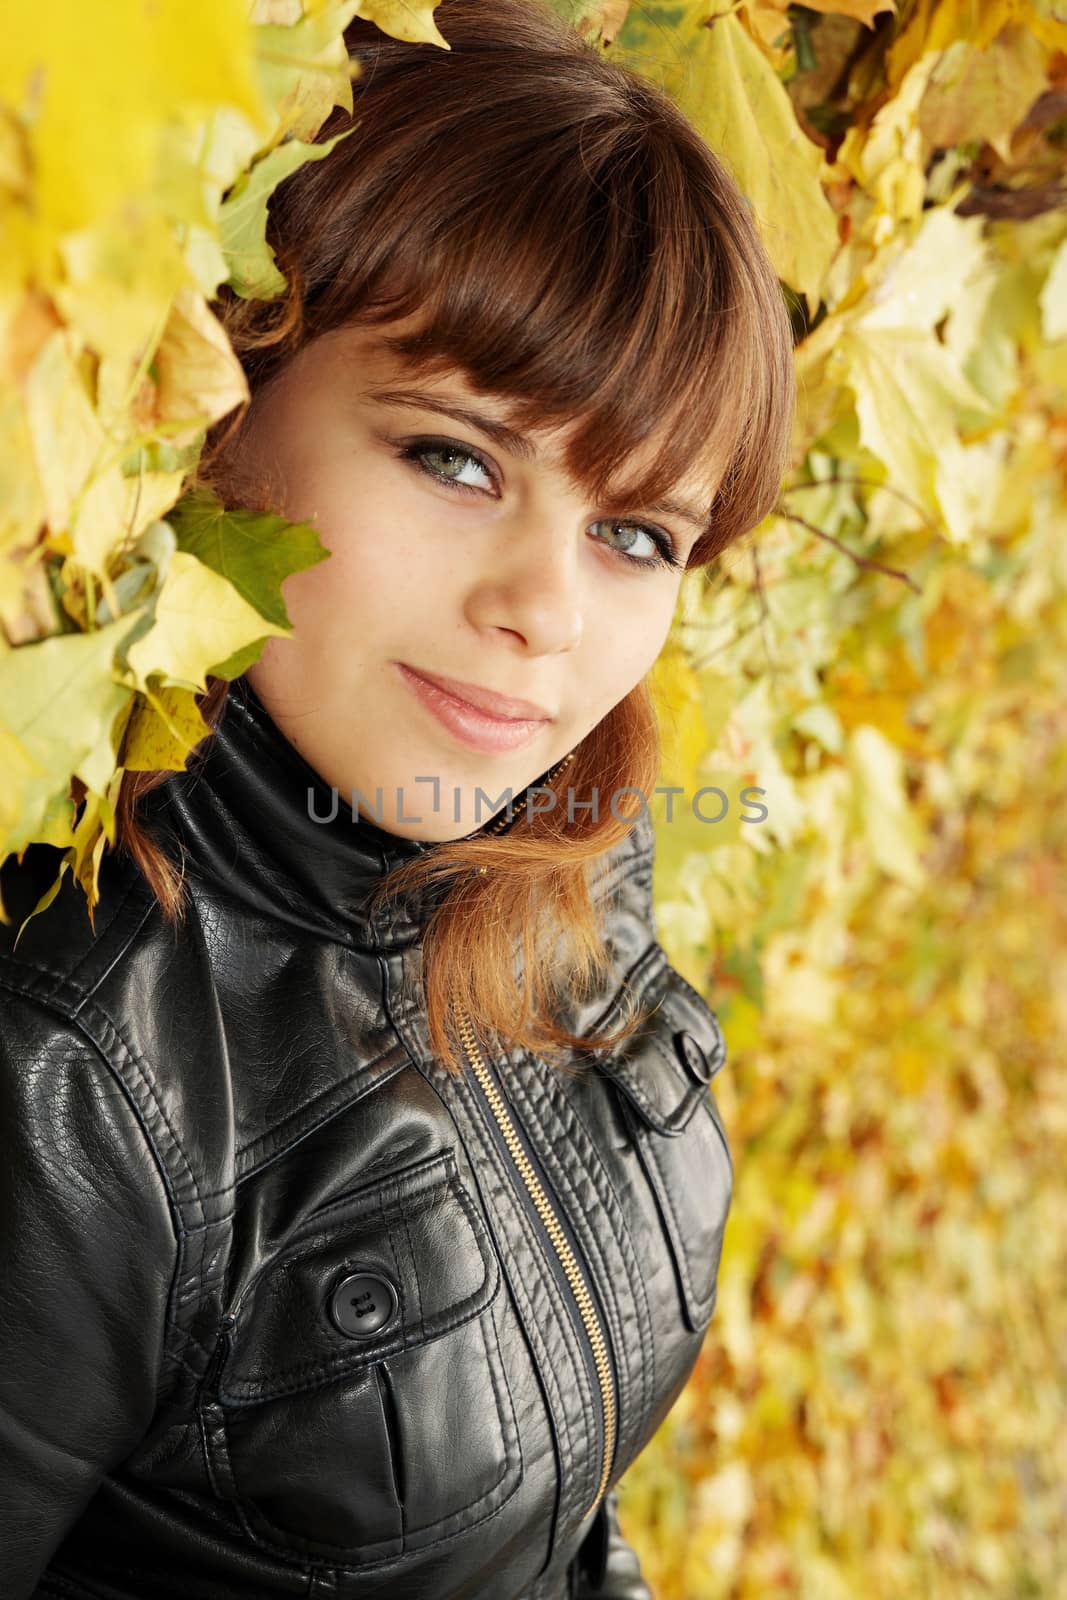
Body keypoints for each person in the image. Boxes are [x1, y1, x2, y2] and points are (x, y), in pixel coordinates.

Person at [0, 1, 794, 1595]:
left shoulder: (565, 829)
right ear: (211, 393)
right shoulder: (69, 1072)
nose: (548, 612)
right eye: (455, 458)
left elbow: (557, 1497)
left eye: (636, 534)